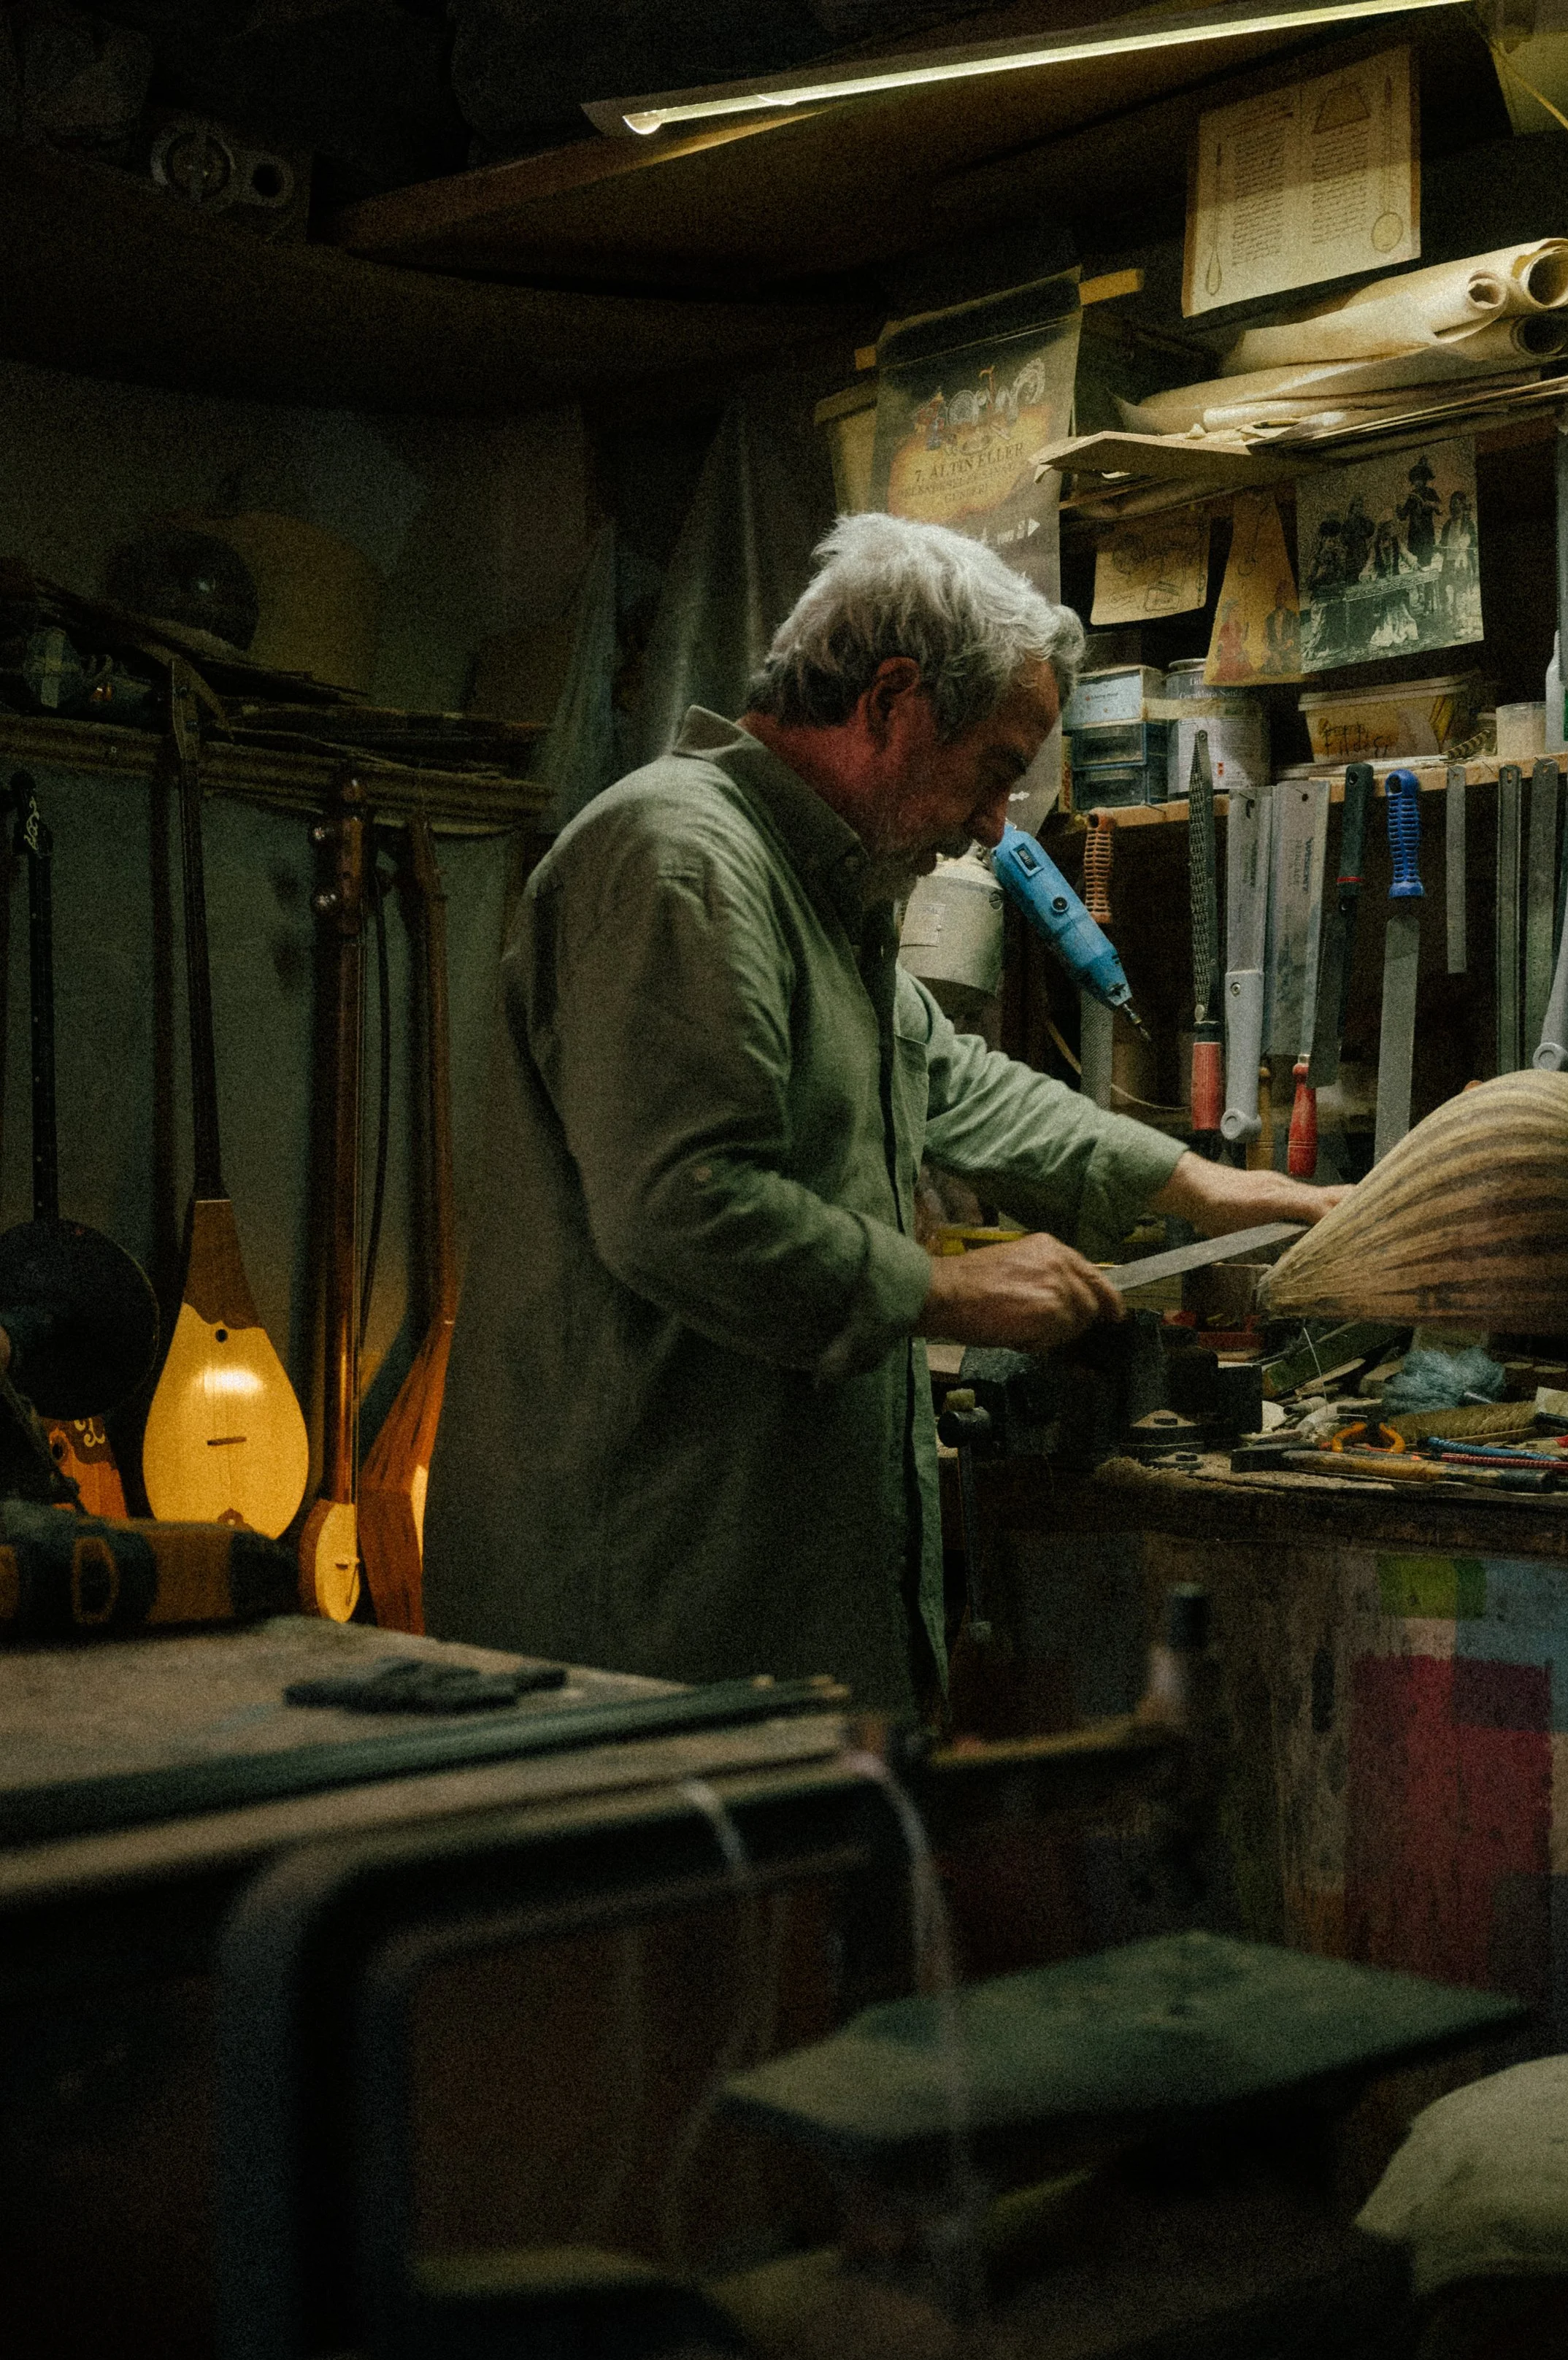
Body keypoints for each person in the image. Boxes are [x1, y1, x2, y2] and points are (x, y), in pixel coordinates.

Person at [424, 515, 1343, 1715]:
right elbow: (683, 1208)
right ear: (893, 700)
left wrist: (1202, 1186)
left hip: (759, 1615)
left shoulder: (819, 889)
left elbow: (950, 1077)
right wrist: (953, 1291)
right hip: (644, 1624)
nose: (993, 821)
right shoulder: (683, 862)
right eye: (993, 768)